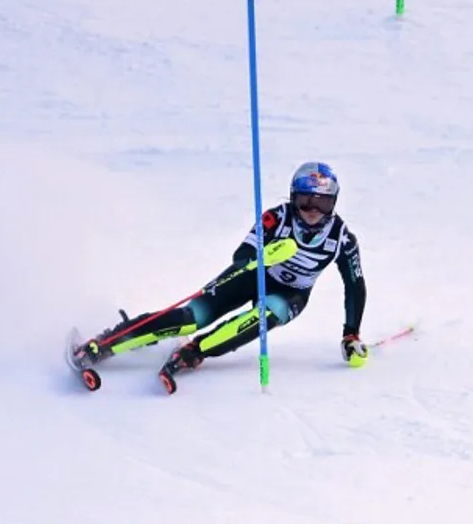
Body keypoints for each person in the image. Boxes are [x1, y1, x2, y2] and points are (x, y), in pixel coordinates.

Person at [74, 161, 368, 389]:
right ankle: (107, 342)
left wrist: (350, 334)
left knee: (263, 316)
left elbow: (355, 286)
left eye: (323, 203)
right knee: (192, 317)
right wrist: (264, 256)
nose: (313, 211)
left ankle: (195, 351)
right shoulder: (277, 219)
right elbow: (240, 256)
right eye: (306, 201)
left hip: (290, 294)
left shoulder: (341, 239)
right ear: (294, 199)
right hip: (252, 275)